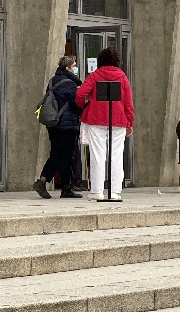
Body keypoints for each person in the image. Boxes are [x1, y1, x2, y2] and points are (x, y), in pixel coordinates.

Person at [75, 46, 134, 200]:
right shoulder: (122, 77)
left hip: (96, 119)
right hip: (118, 120)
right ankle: (115, 191)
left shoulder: (95, 75)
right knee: (116, 156)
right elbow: (128, 103)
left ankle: (97, 191)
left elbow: (80, 94)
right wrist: (129, 122)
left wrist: (83, 105)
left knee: (97, 155)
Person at [33, 56, 83, 199]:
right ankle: (66, 188)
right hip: (67, 124)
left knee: (56, 153)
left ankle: (42, 181)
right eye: (74, 66)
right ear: (67, 68)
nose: (75, 69)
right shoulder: (70, 84)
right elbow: (75, 104)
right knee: (67, 155)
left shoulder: (53, 81)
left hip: (53, 123)